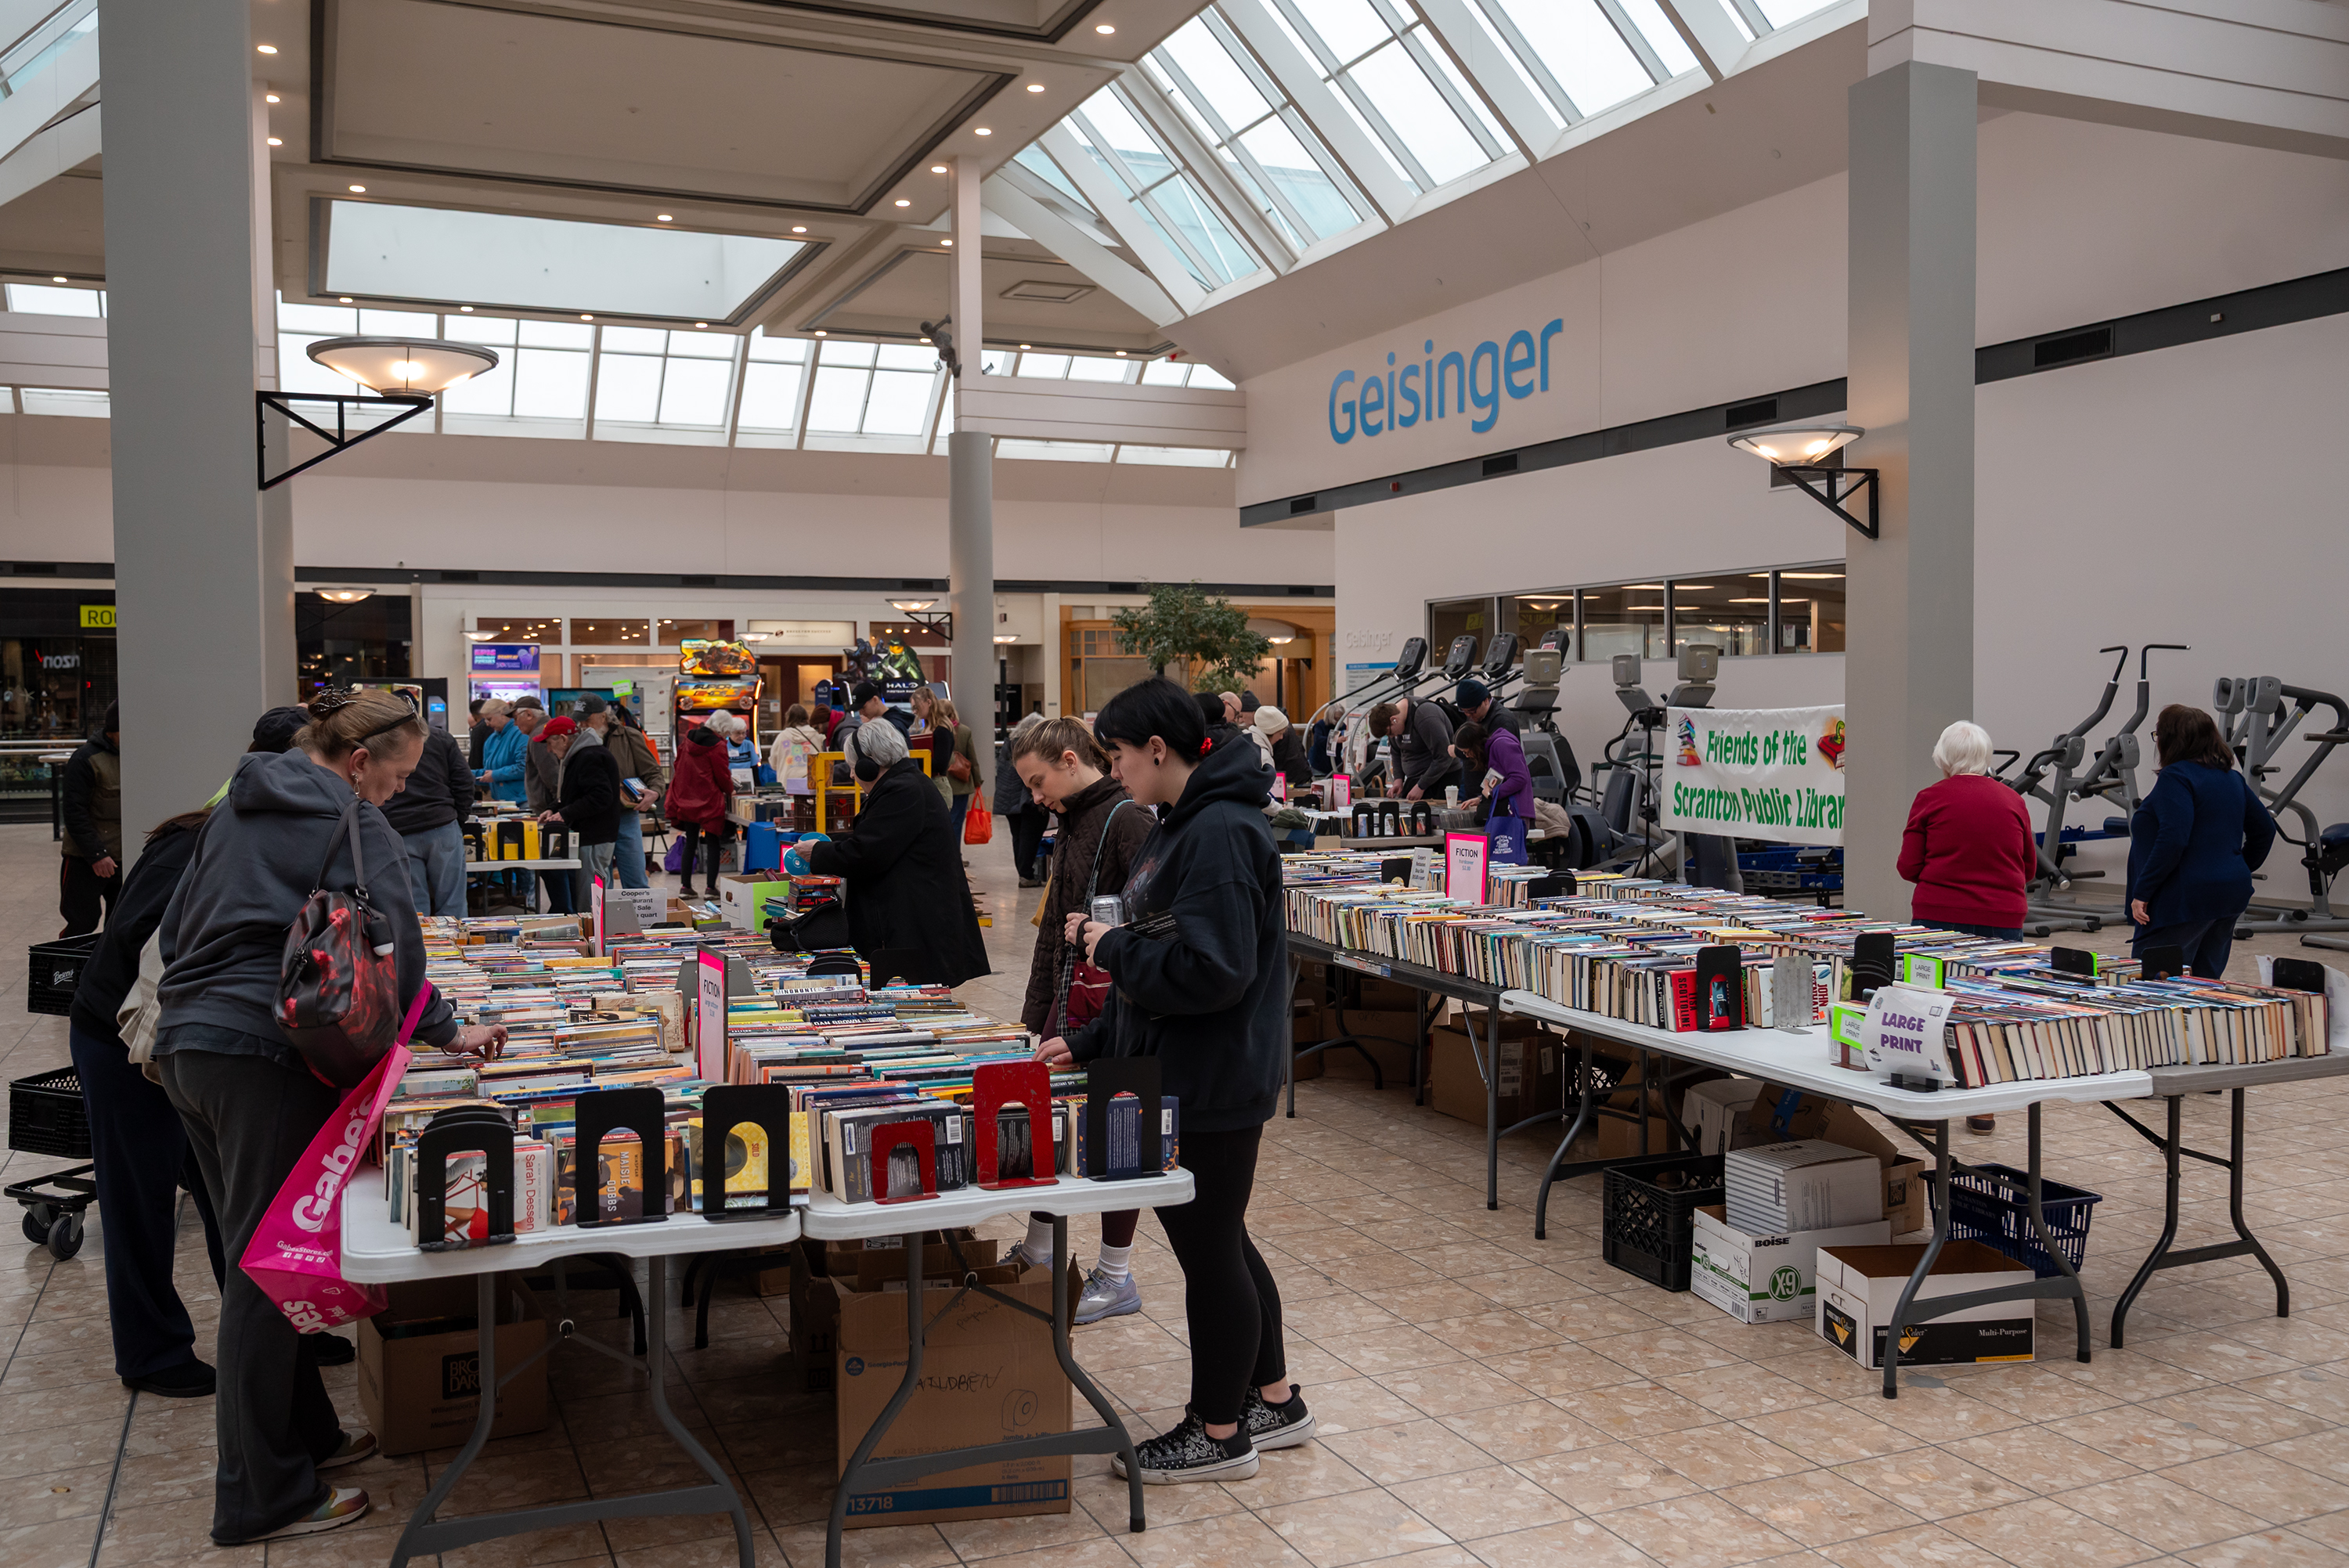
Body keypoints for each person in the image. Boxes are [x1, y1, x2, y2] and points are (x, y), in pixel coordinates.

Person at [154, 689, 504, 1545]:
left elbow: (174, 930)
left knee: (256, 1255)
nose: (397, 790)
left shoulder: (234, 804)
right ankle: (255, 1494)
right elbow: (398, 954)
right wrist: (453, 1030)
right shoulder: (355, 822)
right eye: (397, 774)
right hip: (265, 1055)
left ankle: (304, 1438)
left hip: (186, 1044)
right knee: (265, 1274)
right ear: (359, 761)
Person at [1041, 679, 1307, 1483]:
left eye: (1117, 755)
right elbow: (1164, 950)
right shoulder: (1183, 823)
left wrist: (1105, 947)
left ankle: (1219, 1431)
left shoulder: (1220, 830)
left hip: (1215, 1076)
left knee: (1210, 1249)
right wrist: (1089, 1042)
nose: (1113, 770)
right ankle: (1274, 1397)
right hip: (1188, 1065)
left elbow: (1212, 971)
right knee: (1223, 1239)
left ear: (1157, 749)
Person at [69, 800, 229, 1399]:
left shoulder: (237, 832)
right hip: (124, 1041)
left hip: (185, 1042)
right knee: (140, 1197)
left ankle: (272, 1330)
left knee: (227, 1195)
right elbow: (144, 941)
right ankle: (150, 1351)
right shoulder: (200, 844)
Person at [1005, 718, 1156, 1323]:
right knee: (1049, 1128)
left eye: (1040, 782)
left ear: (1071, 760)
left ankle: (1115, 1273)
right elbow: (1049, 933)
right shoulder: (1070, 822)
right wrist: (1034, 1015)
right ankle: (1042, 1250)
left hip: (1116, 1011)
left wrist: (1105, 932)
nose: (1036, 797)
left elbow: (1159, 922)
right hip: (1069, 1004)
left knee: (1119, 1134)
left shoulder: (1128, 819)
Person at [803, 721, 989, 986]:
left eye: (854, 767)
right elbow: (875, 836)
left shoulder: (903, 790)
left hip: (917, 927)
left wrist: (820, 853)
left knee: (913, 1004)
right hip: (913, 921)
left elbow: (868, 853)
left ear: (870, 763)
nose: (853, 775)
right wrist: (830, 844)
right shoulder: (903, 784)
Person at [2128, 704, 2278, 979]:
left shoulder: (2176, 777)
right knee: (2204, 983)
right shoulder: (2231, 778)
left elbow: (2174, 838)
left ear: (2170, 740)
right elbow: (2265, 830)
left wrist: (2143, 892)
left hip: (2183, 898)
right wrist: (2236, 867)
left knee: (2152, 988)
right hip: (2228, 895)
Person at [1898, 721, 2037, 941]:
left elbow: (1908, 866)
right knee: (1996, 976)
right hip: (2003, 915)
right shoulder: (2014, 800)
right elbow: (2028, 868)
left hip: (1938, 912)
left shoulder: (1929, 798)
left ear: (1942, 758)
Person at [379, 708, 474, 917]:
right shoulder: (440, 737)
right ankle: (456, 946)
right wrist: (458, 817)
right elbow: (464, 782)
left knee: (414, 906)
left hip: (400, 827)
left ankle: (422, 949)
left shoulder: (383, 741)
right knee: (453, 903)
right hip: (442, 825)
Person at [537, 716, 622, 906]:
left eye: (550, 743)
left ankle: (593, 932)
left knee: (591, 896)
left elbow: (600, 796)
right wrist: (554, 809)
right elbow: (575, 793)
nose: (549, 750)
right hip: (590, 835)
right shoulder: (580, 755)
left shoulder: (589, 756)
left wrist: (565, 814)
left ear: (563, 738)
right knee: (587, 891)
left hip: (595, 836)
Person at [584, 696, 663, 890]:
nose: (582, 724)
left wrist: (655, 792)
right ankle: (603, 920)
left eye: (587, 719)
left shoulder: (629, 737)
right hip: (593, 819)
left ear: (603, 717)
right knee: (600, 884)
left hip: (625, 817)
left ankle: (641, 920)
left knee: (636, 879)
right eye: (580, 719)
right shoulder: (580, 741)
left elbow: (653, 772)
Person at [59, 701, 122, 935]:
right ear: (114, 731)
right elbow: (74, 812)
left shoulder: (139, 759)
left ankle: (108, 972)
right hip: (85, 860)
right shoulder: (86, 759)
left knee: (120, 927)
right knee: (82, 923)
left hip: (124, 858)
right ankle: (69, 971)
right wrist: (97, 855)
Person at [511, 699, 573, 914]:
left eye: (516, 717)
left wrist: (558, 806)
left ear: (528, 714)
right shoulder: (546, 730)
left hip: (551, 813)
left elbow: (552, 777)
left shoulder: (541, 735)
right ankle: (565, 907)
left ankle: (562, 910)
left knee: (553, 866)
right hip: (555, 810)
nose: (515, 723)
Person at [666, 715, 737, 898]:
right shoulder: (718, 746)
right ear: (722, 728)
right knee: (713, 842)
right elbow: (722, 775)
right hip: (708, 800)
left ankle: (685, 887)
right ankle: (710, 888)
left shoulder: (688, 739)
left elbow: (678, 765)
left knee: (691, 842)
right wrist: (730, 790)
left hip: (686, 796)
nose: (728, 736)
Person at [995, 713, 1049, 887]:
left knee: (1017, 837)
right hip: (1026, 798)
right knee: (1030, 836)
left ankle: (1023, 873)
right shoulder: (1029, 746)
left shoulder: (1008, 744)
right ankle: (1026, 875)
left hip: (1008, 797)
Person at [1367, 696, 1455, 800]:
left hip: (1441, 778)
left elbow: (1444, 756)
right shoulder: (1395, 721)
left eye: (1390, 733)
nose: (1392, 737)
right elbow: (1396, 752)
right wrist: (1398, 780)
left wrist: (1421, 786)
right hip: (1416, 780)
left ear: (1394, 720)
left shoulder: (1425, 716)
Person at [1450, 719, 1533, 824]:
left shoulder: (1502, 745)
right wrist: (1482, 799)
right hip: (1507, 812)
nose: (1467, 756)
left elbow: (1520, 778)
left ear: (1474, 745)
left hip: (1515, 813)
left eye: (1466, 752)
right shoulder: (1491, 750)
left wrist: (1491, 794)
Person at [937, 696, 982, 834]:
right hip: (962, 782)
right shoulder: (964, 731)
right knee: (957, 821)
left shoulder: (934, 730)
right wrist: (977, 780)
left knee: (942, 821)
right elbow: (972, 758)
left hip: (941, 782)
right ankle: (956, 853)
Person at [474, 698, 527, 805]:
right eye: (485, 720)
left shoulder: (520, 734)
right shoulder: (491, 740)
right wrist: (469, 775)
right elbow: (488, 771)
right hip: (502, 803)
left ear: (502, 714)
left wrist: (495, 775)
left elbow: (524, 767)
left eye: (489, 719)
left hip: (522, 801)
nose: (487, 724)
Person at [910, 685, 956, 803]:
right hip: (927, 783)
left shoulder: (942, 730)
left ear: (928, 702)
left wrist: (912, 758)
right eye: (913, 708)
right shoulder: (927, 729)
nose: (915, 711)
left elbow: (941, 764)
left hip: (938, 786)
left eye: (917, 707)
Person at [769, 702, 826, 788]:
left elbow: (773, 764)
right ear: (806, 717)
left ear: (788, 718)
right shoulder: (818, 735)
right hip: (812, 783)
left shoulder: (782, 737)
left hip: (787, 785)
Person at [1456, 678, 1522, 739]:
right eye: (1464, 711)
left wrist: (1458, 751)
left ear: (1486, 701)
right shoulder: (1475, 715)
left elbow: (1501, 750)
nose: (1468, 715)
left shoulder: (1503, 721)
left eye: (1472, 710)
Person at [465, 697, 489, 771]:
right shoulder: (497, 728)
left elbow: (475, 757)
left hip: (482, 774)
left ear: (474, 715)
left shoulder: (479, 730)